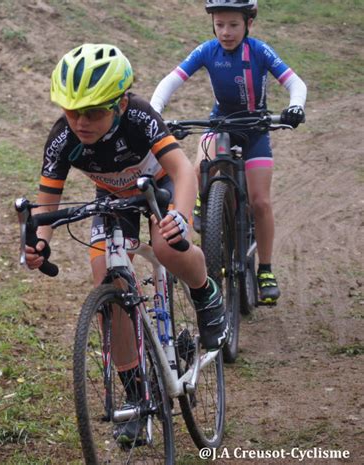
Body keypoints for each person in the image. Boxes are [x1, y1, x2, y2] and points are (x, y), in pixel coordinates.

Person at [24, 43, 228, 444]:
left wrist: (181, 219)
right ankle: (137, 394)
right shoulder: (62, 137)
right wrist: (39, 243)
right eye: (71, 111)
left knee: (168, 247)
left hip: (161, 187)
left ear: (118, 104)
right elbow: (46, 203)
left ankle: (206, 292)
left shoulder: (138, 116)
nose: (80, 122)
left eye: (93, 112)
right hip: (113, 197)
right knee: (105, 275)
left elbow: (183, 170)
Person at [150, 0, 307, 305]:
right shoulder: (207, 50)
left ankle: (265, 268)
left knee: (260, 201)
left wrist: (295, 106)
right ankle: (201, 205)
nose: (225, 32)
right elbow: (171, 80)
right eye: (219, 24)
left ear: (249, 24)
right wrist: (156, 110)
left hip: (255, 128)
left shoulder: (259, 51)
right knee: (196, 166)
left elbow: (295, 82)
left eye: (233, 25)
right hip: (221, 122)